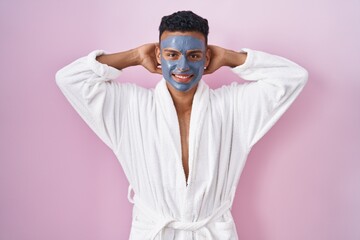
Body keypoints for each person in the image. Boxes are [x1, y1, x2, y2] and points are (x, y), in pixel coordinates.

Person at [55, 10, 308, 240]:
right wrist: (133, 56)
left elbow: (292, 77)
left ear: (206, 57)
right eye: (172, 54)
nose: (183, 66)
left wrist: (231, 57)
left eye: (194, 55)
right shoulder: (130, 107)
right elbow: (69, 79)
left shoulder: (232, 107)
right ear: (158, 55)